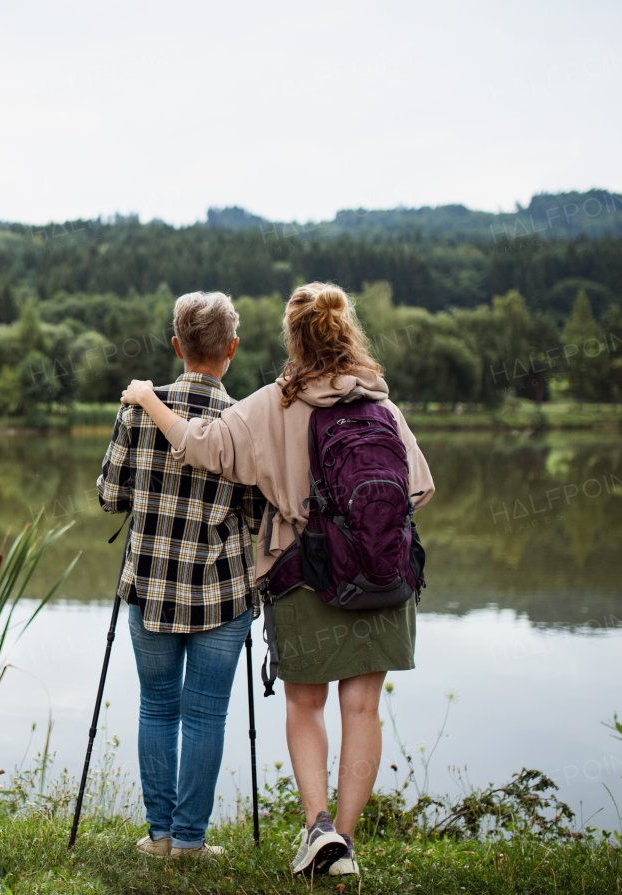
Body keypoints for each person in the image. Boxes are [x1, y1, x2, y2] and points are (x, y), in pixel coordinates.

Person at [120, 282, 435, 878]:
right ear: (348, 334)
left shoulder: (274, 403)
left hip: (305, 574)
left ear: (293, 337)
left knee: (306, 703)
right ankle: (342, 842)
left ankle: (317, 830)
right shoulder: (381, 404)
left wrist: (147, 399)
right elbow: (420, 488)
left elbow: (197, 445)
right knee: (363, 709)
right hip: (384, 575)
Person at [96, 291, 266, 859]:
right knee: (205, 714)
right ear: (232, 350)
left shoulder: (138, 410)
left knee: (156, 707)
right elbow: (261, 512)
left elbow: (109, 496)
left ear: (177, 346)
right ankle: (192, 840)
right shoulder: (245, 421)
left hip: (149, 585)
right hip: (223, 592)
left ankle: (160, 836)